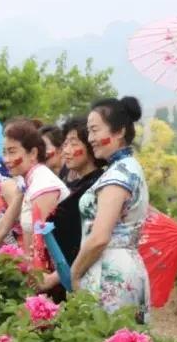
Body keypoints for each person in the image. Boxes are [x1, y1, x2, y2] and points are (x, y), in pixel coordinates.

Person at [43, 97, 149, 322]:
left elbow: (100, 237)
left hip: (111, 271)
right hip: (118, 265)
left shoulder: (118, 175)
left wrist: (73, 274)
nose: (90, 139)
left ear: (119, 131)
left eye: (94, 130)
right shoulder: (126, 167)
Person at [2, 119, 70, 269]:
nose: (6, 159)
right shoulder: (31, 181)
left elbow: (40, 245)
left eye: (12, 152)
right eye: (4, 152)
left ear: (33, 153)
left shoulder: (43, 184)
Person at [54, 115, 105, 265]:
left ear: (90, 145)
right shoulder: (79, 185)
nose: (66, 151)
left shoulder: (97, 186)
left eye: (73, 144)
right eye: (65, 144)